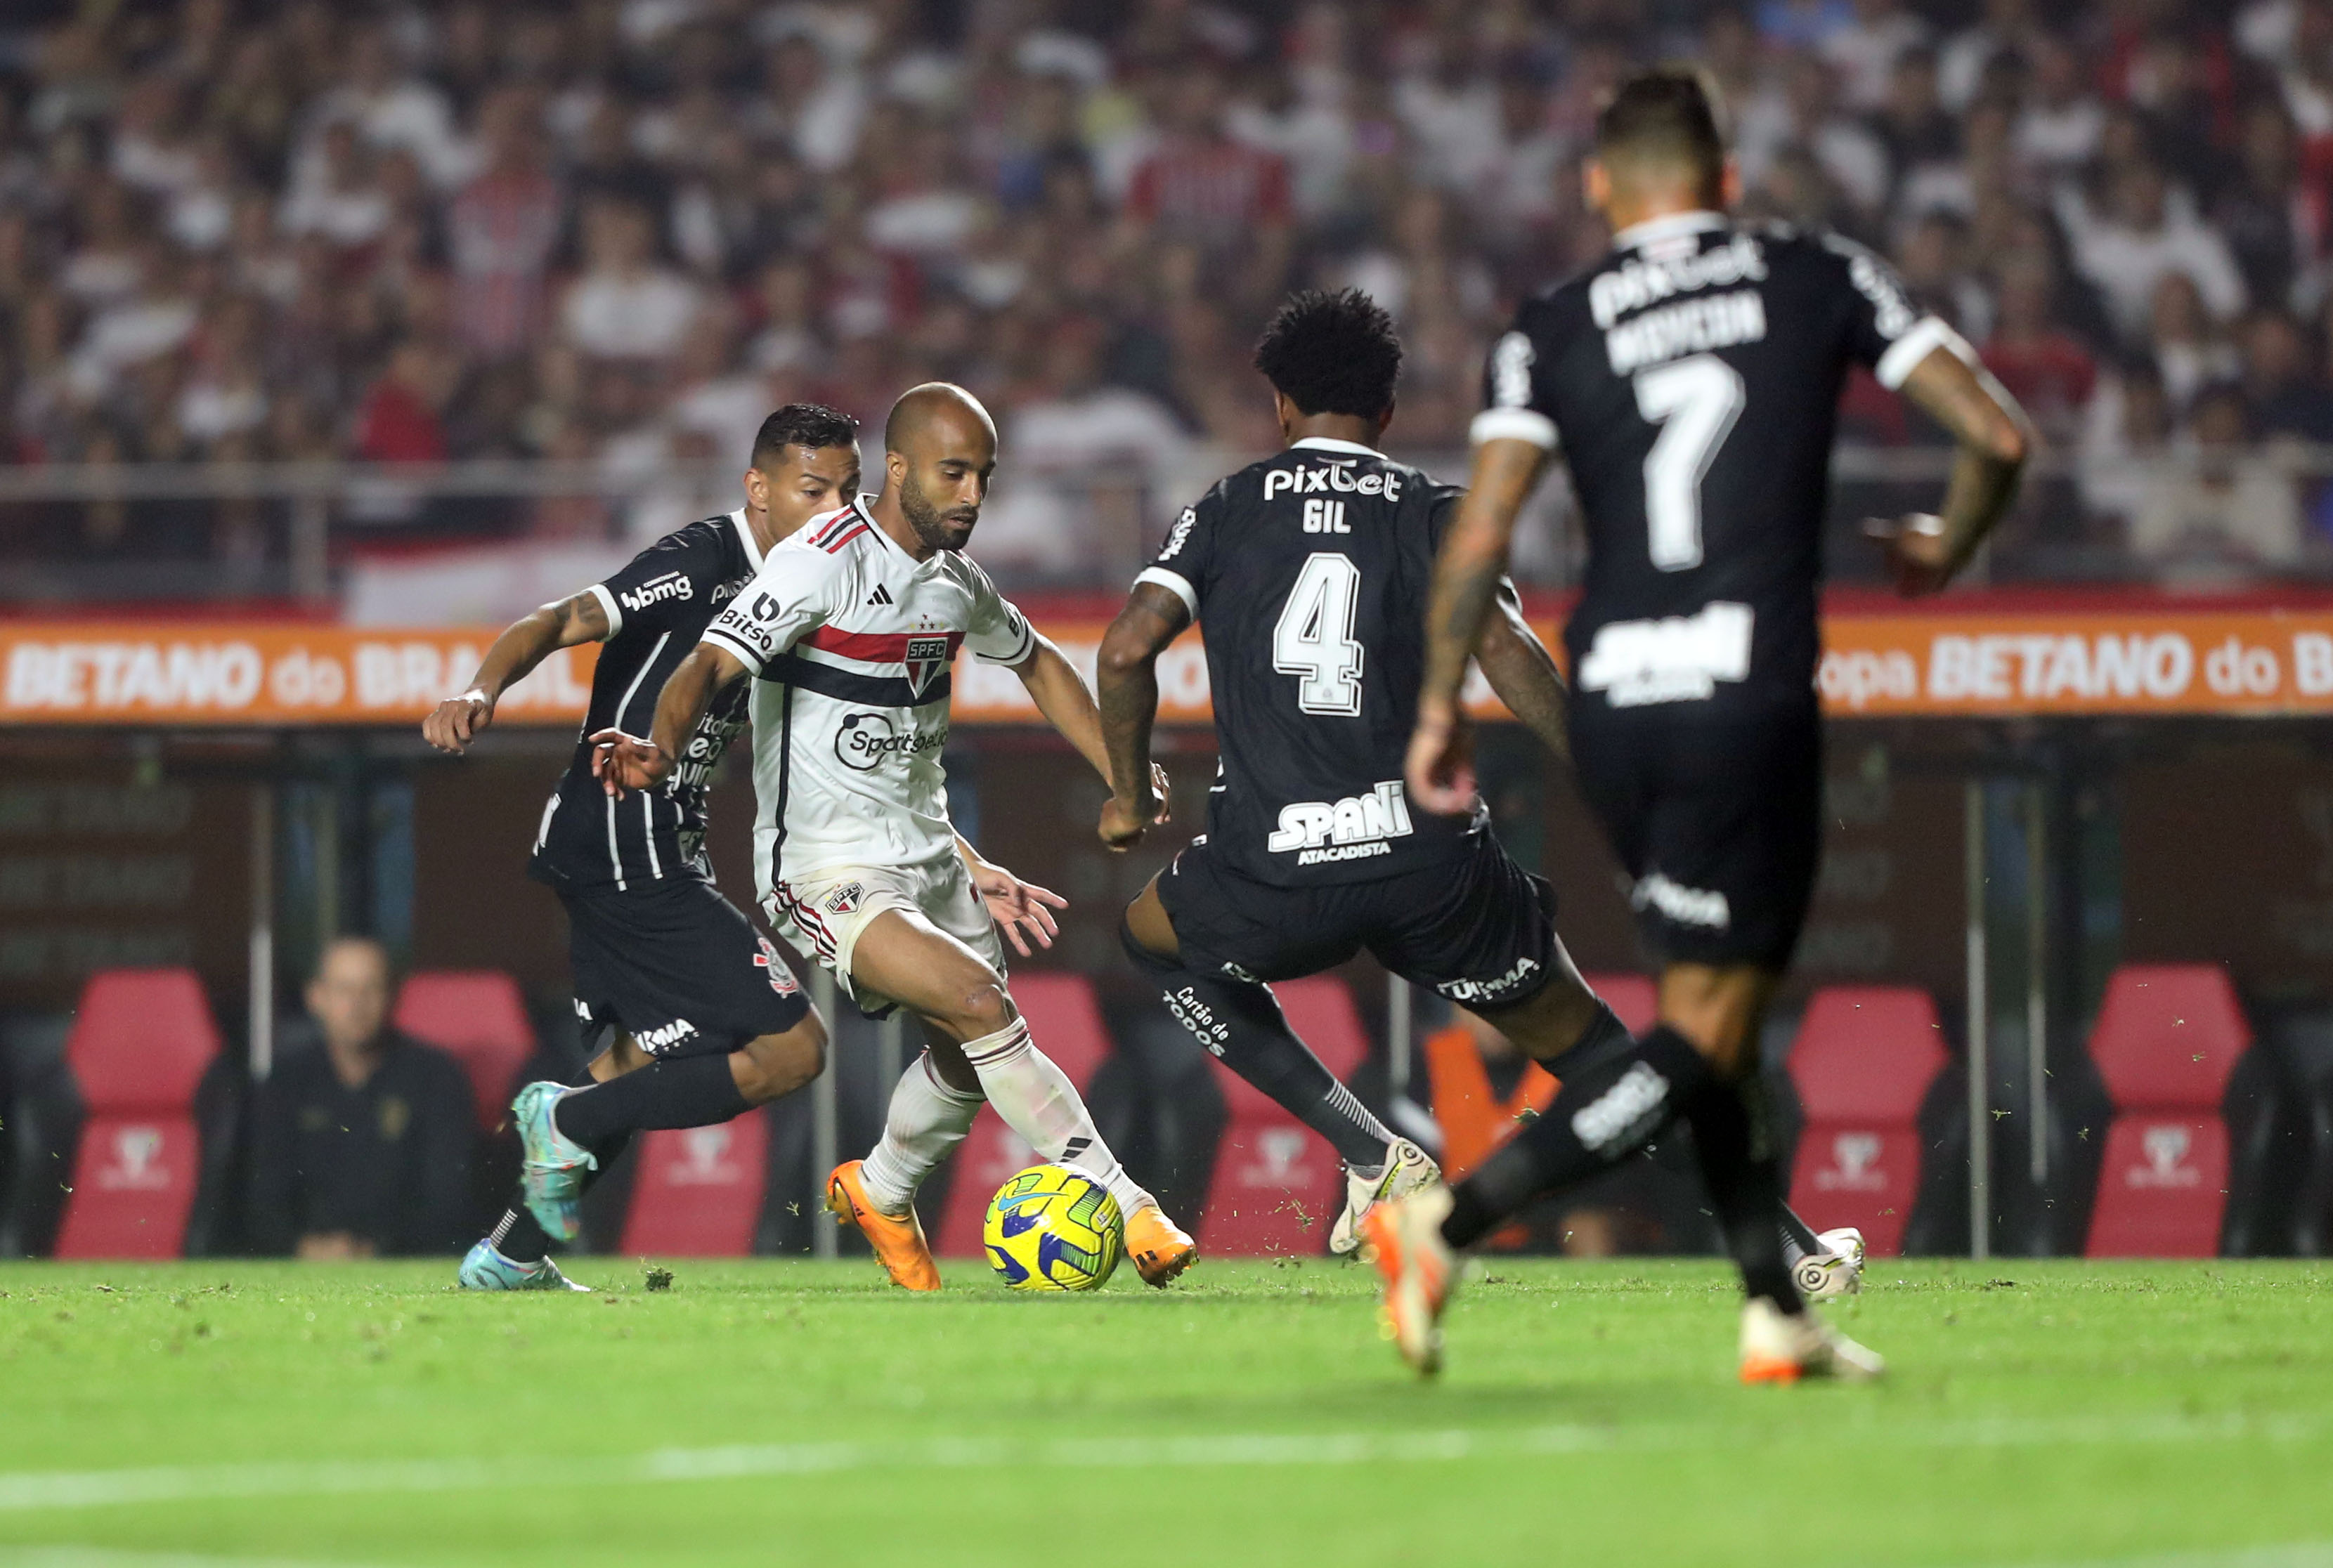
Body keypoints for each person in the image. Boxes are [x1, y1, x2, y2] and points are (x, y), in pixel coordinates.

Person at [1386, 67, 2029, 1383]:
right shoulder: (1816, 273)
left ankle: (1771, 1312)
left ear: (1597, 189)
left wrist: (1443, 702)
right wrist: (1947, 545)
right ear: (1728, 182)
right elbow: (1998, 437)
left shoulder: (1549, 323)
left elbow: (1485, 529)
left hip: (1615, 698)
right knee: (1709, 1029)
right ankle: (1452, 1218)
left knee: (1702, 1007)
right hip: (1745, 692)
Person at [1093, 289, 1861, 1286]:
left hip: (1274, 869)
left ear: (1279, 407)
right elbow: (1507, 655)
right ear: (1390, 410)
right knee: (1597, 1052)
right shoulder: (1431, 510)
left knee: (1153, 942)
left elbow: (1122, 654)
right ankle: (1796, 1253)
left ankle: (1370, 1153)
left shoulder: (1228, 507)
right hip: (1432, 869)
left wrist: (1124, 792)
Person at [590, 383, 1199, 1291]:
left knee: (963, 1048)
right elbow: (711, 660)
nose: (971, 496)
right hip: (822, 866)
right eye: (954, 473)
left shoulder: (957, 584)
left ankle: (880, 1187)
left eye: (985, 478)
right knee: (979, 1003)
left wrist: (1118, 767)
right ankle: (1122, 1196)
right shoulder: (818, 563)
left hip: (930, 853)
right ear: (901, 467)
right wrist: (660, 746)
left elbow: (1036, 662)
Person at [422, 405, 859, 1290]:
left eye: (848, 491)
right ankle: (565, 1120)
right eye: (814, 491)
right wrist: (479, 690)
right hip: (625, 837)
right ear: (759, 489)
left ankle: (509, 1258)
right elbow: (555, 620)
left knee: (631, 1065)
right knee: (794, 1050)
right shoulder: (700, 560)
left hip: (647, 842)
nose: (835, 510)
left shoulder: (808, 584)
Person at [247, 937, 475, 1260]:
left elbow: (448, 1201)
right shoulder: (285, 1083)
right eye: (344, 990)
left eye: (371, 989)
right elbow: (261, 1197)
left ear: (394, 996)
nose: (357, 1004)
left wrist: (375, 1250)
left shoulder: (437, 1079)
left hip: (405, 1270)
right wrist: (304, 1249)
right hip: (301, 1273)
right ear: (315, 997)